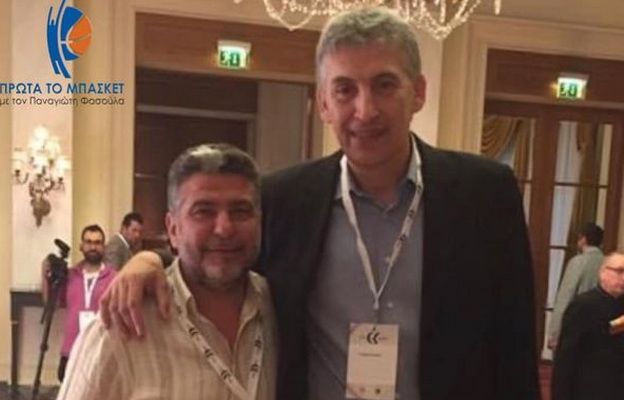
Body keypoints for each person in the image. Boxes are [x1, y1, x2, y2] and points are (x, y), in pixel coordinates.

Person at [101, 7, 539, 400]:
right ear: (325, 103)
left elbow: (516, 346)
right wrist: (149, 261)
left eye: (384, 85)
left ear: (418, 92)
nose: (365, 110)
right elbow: (224, 254)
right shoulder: (285, 198)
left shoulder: (485, 195)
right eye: (345, 90)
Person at [57, 144, 277, 400]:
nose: (224, 228)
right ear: (173, 229)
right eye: (203, 212)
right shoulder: (117, 329)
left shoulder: (280, 308)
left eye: (240, 211)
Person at [41, 224, 117, 382]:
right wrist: (44, 275)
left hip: (100, 350)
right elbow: (51, 304)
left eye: (97, 243)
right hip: (72, 349)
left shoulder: (114, 277)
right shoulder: (69, 276)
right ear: (81, 246)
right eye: (88, 242)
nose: (93, 247)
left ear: (103, 247)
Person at [551, 252, 624, 400]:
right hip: (588, 386)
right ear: (603, 272)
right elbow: (566, 356)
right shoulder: (583, 305)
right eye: (619, 271)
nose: (623, 277)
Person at [547, 222, 604, 351]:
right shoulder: (606, 262)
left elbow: (565, 298)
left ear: (583, 239)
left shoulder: (578, 262)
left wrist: (554, 334)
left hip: (577, 326)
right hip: (600, 327)